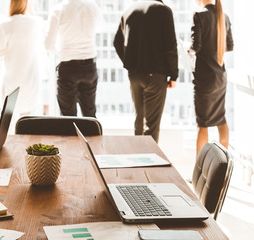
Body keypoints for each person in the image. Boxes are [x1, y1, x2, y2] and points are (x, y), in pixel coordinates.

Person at [113, 0, 178, 143]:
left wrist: (129, 63)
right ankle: (149, 161)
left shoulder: (129, 10)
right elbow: (171, 46)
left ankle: (137, 157)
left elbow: (117, 42)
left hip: (134, 75)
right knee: (152, 125)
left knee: (139, 119)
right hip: (156, 74)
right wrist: (174, 75)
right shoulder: (164, 10)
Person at [190, 0, 234, 157]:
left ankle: (199, 170)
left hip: (205, 79)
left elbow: (196, 46)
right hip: (220, 78)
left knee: (202, 124)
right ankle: (223, 166)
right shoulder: (224, 16)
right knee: (221, 120)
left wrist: (188, 49)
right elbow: (229, 45)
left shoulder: (199, 16)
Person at [45, 0, 102, 117]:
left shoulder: (59, 9)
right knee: (90, 113)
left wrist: (63, 52)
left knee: (68, 116)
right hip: (89, 66)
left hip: (68, 67)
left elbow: (48, 44)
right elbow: (100, 27)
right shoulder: (93, 6)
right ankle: (92, 134)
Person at [0, 0, 44, 119]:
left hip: (11, 79)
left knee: (9, 120)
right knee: (27, 122)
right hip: (31, 78)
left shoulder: (5, 24)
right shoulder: (36, 23)